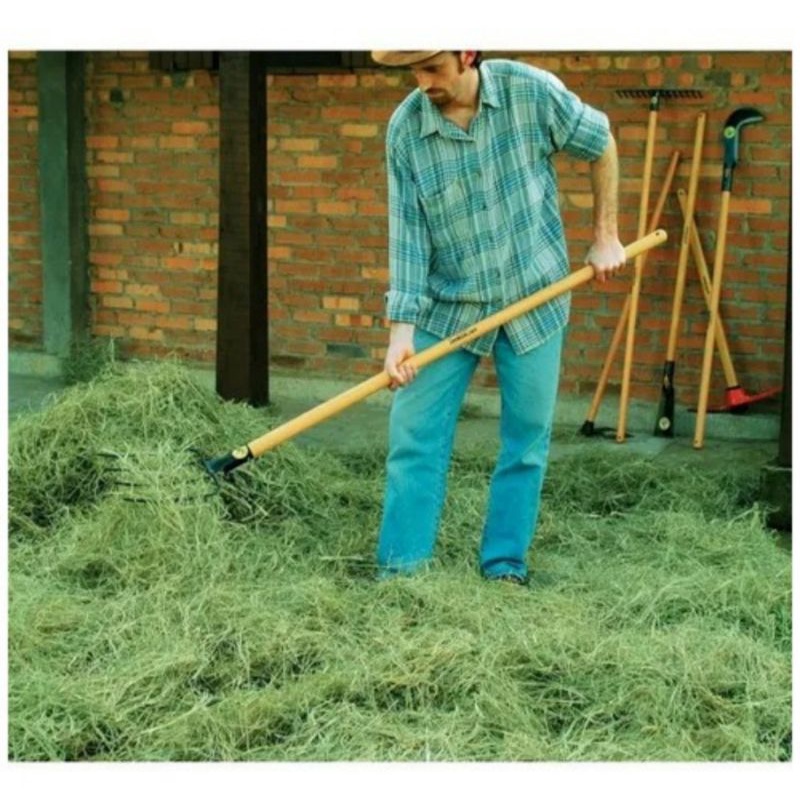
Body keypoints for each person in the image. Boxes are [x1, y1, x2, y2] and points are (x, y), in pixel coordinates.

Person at [370, 50, 626, 584]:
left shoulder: (529, 92)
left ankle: (505, 565)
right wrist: (401, 333)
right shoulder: (406, 130)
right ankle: (401, 573)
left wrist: (606, 235)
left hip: (534, 296)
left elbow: (600, 139)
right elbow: (408, 235)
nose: (422, 82)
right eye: (412, 71)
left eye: (432, 68)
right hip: (449, 304)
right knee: (413, 436)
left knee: (526, 441)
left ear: (466, 52)